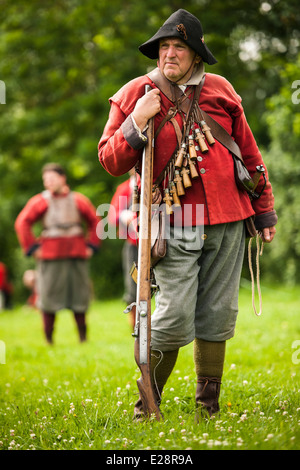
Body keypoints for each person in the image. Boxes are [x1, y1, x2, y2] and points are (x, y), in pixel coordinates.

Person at [98, 9, 277, 418]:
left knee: (218, 314)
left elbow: (249, 155)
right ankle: (148, 404)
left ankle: (207, 407)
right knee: (175, 316)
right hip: (173, 221)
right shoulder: (135, 93)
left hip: (231, 218)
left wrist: (264, 211)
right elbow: (109, 160)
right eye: (164, 47)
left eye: (179, 47)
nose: (170, 54)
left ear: (196, 55)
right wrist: (136, 122)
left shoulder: (221, 90)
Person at [15, 163, 100, 344]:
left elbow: (95, 221)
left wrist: (92, 246)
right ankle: (49, 340)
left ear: (63, 178)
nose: (49, 183)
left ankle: (83, 338)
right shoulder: (41, 201)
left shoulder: (78, 200)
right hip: (50, 256)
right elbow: (22, 222)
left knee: (79, 296)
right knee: (48, 297)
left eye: (52, 179)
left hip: (77, 254)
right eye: (46, 180)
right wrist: (32, 248)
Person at [108, 169, 139, 329]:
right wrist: (123, 216)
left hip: (159, 243)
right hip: (133, 244)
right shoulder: (124, 188)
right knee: (133, 285)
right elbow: (112, 216)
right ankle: (135, 325)